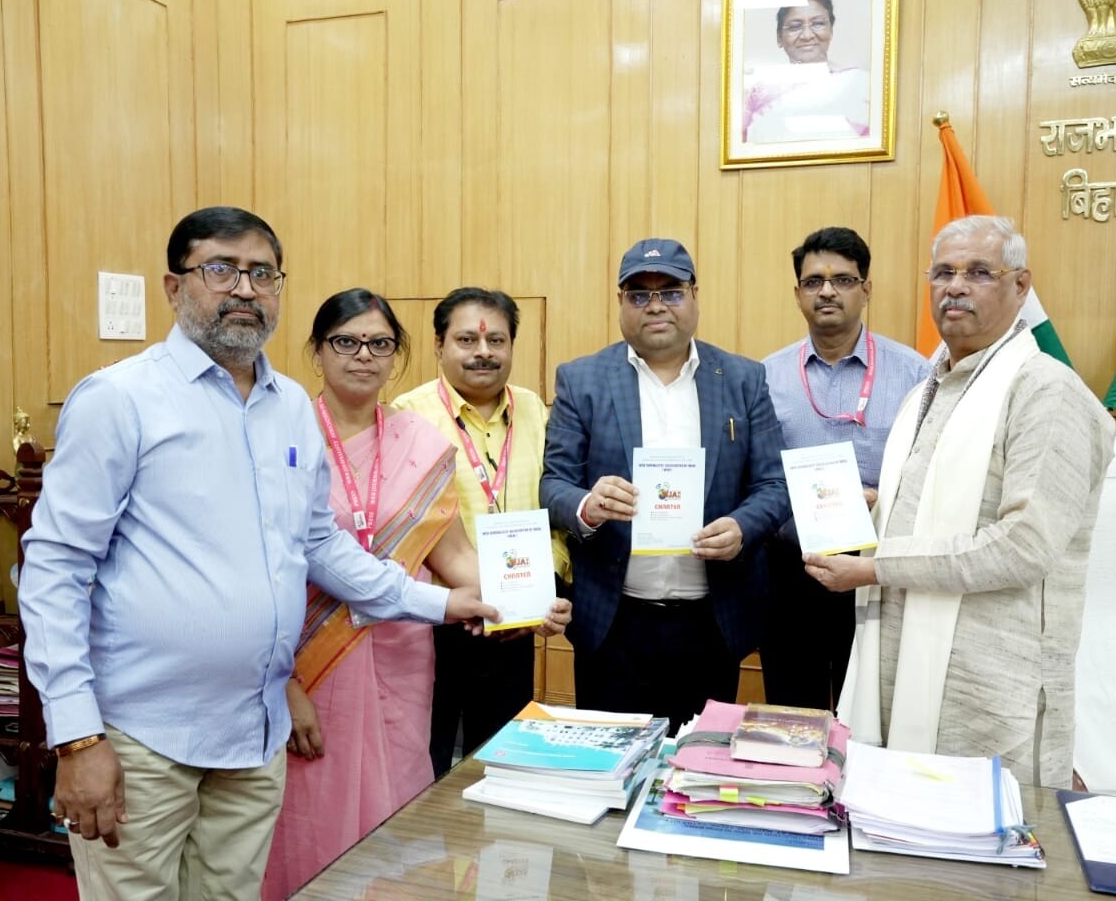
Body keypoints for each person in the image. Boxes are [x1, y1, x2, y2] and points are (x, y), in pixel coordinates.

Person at [18, 208, 498, 901]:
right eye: (220, 269)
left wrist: (441, 602)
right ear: (174, 287)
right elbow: (56, 569)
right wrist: (77, 738)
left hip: (254, 734)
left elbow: (319, 543)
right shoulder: (120, 399)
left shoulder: (291, 408)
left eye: (262, 273)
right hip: (143, 737)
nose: (244, 288)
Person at [262, 288, 570, 898]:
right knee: (311, 810)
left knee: (400, 807)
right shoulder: (281, 437)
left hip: (402, 655)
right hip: (307, 658)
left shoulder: (420, 442)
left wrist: (522, 603)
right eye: (346, 342)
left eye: (379, 344)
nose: (363, 356)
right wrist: (282, 680)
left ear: (397, 355)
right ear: (317, 351)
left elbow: (450, 554)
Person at [803, 215, 1115, 788]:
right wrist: (877, 508)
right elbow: (935, 506)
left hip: (990, 688)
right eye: (943, 273)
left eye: (979, 273)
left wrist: (875, 567)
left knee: (993, 834)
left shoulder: (1047, 392)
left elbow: (1024, 546)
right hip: (903, 666)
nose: (955, 287)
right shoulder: (931, 384)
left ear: (1021, 286)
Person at [541, 239, 791, 731]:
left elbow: (774, 483)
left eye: (671, 292)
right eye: (639, 294)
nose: (655, 306)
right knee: (612, 763)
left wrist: (742, 527)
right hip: (613, 623)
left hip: (712, 620)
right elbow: (554, 483)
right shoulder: (582, 379)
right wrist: (588, 505)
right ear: (621, 302)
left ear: (695, 295)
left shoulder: (743, 378)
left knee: (696, 765)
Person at [392, 288, 572, 777]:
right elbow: (406, 526)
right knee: (425, 764)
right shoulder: (407, 415)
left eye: (496, 340)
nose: (483, 352)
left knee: (501, 763)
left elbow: (554, 506)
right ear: (439, 344)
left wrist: (545, 588)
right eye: (466, 339)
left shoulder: (535, 411)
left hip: (516, 625)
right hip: (437, 621)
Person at [760, 227, 929, 710]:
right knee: (794, 717)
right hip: (790, 570)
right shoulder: (765, 376)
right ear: (798, 294)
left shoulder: (914, 373)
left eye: (843, 280)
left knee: (870, 716)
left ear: (866, 289)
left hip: (876, 568)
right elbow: (756, 474)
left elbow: (927, 470)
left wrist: (882, 496)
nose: (828, 291)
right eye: (814, 281)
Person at [742, 0, 871, 143]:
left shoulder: (859, 83)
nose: (807, 36)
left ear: (830, 30)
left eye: (818, 24)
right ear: (779, 38)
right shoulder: (756, 93)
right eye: (795, 27)